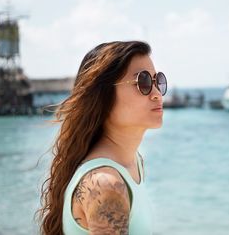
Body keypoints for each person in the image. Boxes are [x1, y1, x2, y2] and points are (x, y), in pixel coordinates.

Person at [37, 41, 167, 235]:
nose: (157, 94)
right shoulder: (106, 184)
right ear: (104, 96)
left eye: (158, 81)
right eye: (144, 82)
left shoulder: (134, 163)